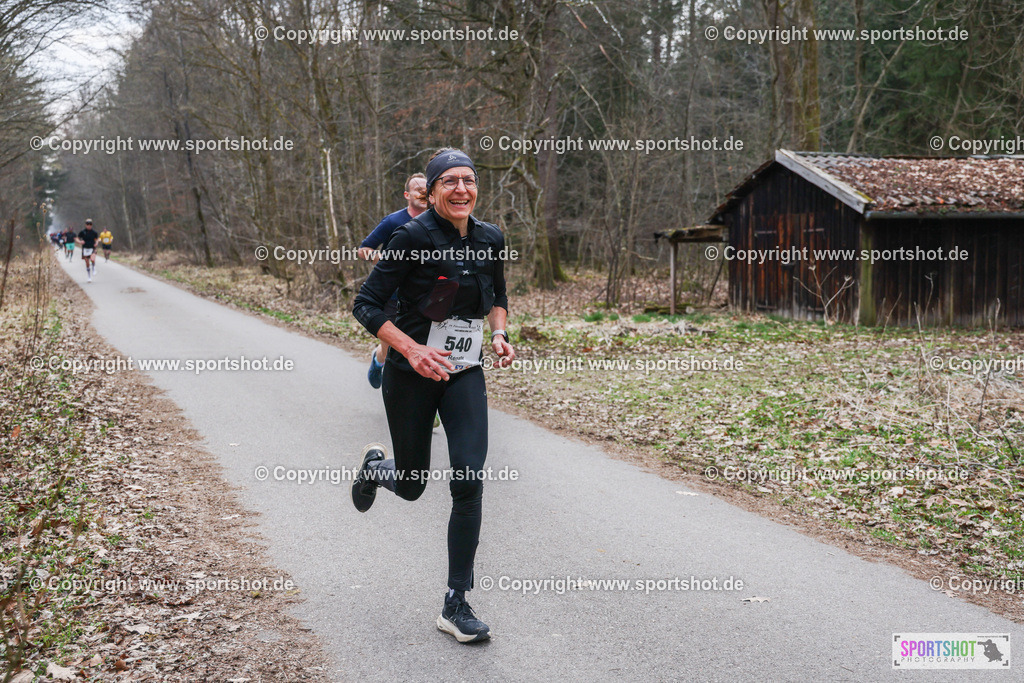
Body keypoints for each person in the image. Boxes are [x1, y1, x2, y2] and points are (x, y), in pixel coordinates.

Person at [351, 148, 514, 644]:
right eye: (450, 182)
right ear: (434, 189)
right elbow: (366, 304)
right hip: (410, 373)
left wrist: (501, 333)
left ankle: (456, 602)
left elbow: (499, 294)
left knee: (468, 479)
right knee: (414, 482)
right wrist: (411, 348)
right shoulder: (411, 237)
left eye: (469, 181)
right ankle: (377, 470)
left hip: (464, 372)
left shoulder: (490, 237)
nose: (461, 189)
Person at [359, 173, 428, 389]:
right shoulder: (393, 221)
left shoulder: (440, 221)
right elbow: (364, 250)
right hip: (393, 294)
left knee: (423, 344)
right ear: (407, 195)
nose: (424, 193)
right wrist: (387, 260)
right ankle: (379, 360)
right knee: (392, 346)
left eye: (427, 189)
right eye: (418, 190)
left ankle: (423, 399)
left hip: (425, 294)